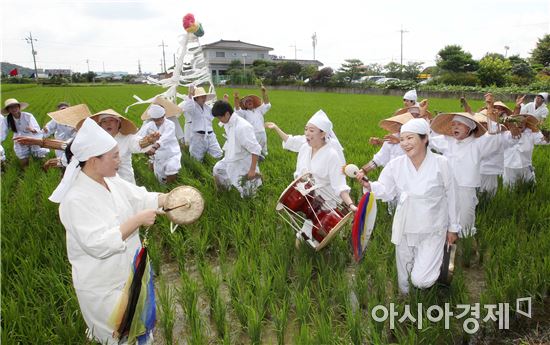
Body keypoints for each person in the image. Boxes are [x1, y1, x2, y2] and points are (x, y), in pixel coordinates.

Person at [49, 118, 166, 345]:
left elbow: (141, 197)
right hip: (103, 286)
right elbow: (98, 244)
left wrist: (168, 199)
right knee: (117, 337)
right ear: (93, 160)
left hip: (130, 274)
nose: (119, 160)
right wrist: (137, 221)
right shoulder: (75, 199)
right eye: (114, 156)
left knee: (139, 330)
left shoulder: (112, 181)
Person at [357, 119, 459, 294]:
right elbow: (387, 191)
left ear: (425, 138)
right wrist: (370, 186)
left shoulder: (441, 163)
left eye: (410, 138)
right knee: (403, 273)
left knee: (421, 280)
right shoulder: (396, 165)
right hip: (405, 224)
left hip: (432, 227)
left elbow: (452, 196)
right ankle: (405, 299)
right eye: (402, 139)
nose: (404, 143)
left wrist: (453, 228)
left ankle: (437, 264)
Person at [429, 94, 501, 237]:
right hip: (446, 187)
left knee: (466, 219)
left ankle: (466, 245)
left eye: (459, 124)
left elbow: (493, 136)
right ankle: (446, 244)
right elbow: (428, 140)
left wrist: (490, 108)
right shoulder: (448, 141)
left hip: (466, 189)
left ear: (470, 128)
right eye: (453, 125)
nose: (455, 127)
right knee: (445, 216)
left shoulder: (477, 144)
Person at [291, 110, 356, 245]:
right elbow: (298, 175)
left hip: (327, 201)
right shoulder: (304, 149)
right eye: (306, 129)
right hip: (309, 200)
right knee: (308, 236)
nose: (307, 133)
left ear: (323, 134)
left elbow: (340, 185)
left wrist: (350, 205)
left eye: (311, 130)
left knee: (318, 236)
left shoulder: (332, 155)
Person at [93, 109, 159, 184]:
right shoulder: (98, 140)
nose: (108, 124)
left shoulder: (127, 138)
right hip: (104, 182)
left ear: (118, 123)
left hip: (125, 181)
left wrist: (148, 141)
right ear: (100, 125)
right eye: (104, 121)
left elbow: (137, 143)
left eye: (111, 120)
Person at [212, 100, 262, 198]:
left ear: (227, 114)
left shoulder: (243, 127)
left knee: (248, 194)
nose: (219, 120)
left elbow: (256, 149)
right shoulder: (228, 121)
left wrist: (252, 170)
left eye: (219, 117)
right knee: (218, 169)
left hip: (242, 161)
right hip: (231, 157)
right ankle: (225, 191)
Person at [139, 104, 181, 184]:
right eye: (155, 120)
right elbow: (139, 137)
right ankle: (163, 189)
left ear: (164, 115)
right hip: (158, 155)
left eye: (159, 119)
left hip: (171, 153)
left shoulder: (170, 124)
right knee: (160, 179)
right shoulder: (149, 125)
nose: (157, 122)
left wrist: (155, 146)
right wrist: (145, 148)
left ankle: (170, 188)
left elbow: (166, 137)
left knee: (172, 169)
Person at [501, 114, 547, 187]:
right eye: (518, 121)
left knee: (531, 187)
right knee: (509, 188)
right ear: (513, 123)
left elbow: (545, 140)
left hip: (526, 166)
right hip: (509, 167)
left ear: (526, 123)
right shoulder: (505, 134)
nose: (520, 123)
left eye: (523, 122)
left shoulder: (532, 134)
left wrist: (546, 134)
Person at [180, 85, 223, 161]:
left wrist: (223, 103)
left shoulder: (208, 107)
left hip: (210, 135)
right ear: (196, 98)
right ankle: (198, 170)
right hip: (198, 136)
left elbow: (215, 113)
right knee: (196, 158)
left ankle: (215, 168)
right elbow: (188, 108)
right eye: (202, 97)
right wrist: (190, 94)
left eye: (204, 97)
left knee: (218, 153)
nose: (204, 98)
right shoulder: (193, 107)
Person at [2, 98, 49, 167]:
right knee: (22, 155)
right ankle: (25, 171)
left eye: (15, 106)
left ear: (19, 107)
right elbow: (2, 131)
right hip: (19, 138)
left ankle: (42, 168)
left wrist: (32, 130)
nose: (13, 109)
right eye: (11, 107)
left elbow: (35, 127)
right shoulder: (7, 119)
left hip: (32, 136)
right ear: (8, 110)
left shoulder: (28, 115)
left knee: (38, 154)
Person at [234, 85, 271, 157]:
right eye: (247, 101)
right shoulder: (244, 113)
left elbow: (267, 104)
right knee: (254, 150)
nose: (249, 102)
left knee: (264, 149)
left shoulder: (259, 109)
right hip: (252, 134)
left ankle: (264, 159)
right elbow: (237, 109)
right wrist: (236, 98)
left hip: (262, 132)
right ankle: (254, 160)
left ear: (253, 102)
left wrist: (264, 93)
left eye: (250, 100)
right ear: (245, 105)